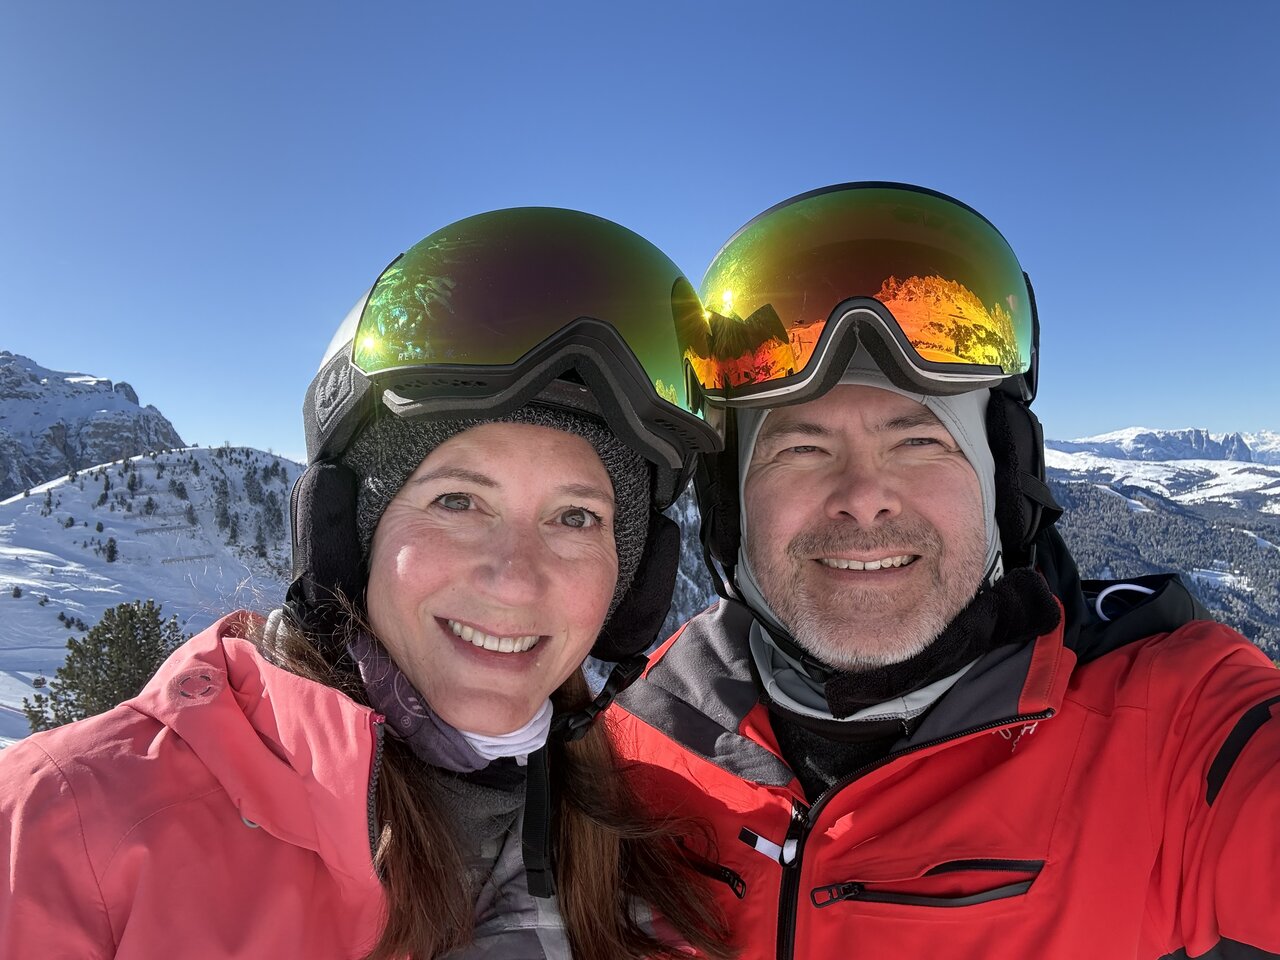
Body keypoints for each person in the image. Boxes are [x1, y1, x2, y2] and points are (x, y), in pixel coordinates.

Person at [0, 207, 734, 959]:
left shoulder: (658, 850)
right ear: (347, 537)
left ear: (631, 580)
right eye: (458, 502)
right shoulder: (58, 834)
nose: (516, 581)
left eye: (576, 518)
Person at [609, 182, 1280, 959]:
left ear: (1003, 487)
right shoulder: (627, 750)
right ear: (732, 505)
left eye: (919, 441)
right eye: (801, 447)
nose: (864, 498)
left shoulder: (1170, 731)